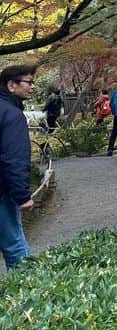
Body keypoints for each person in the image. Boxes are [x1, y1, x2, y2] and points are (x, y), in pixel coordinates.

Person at [0, 64, 36, 269]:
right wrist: (22, 195)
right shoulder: (12, 115)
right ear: (11, 85)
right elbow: (13, 158)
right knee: (15, 247)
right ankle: (28, 293)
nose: (32, 87)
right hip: (3, 193)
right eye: (28, 82)